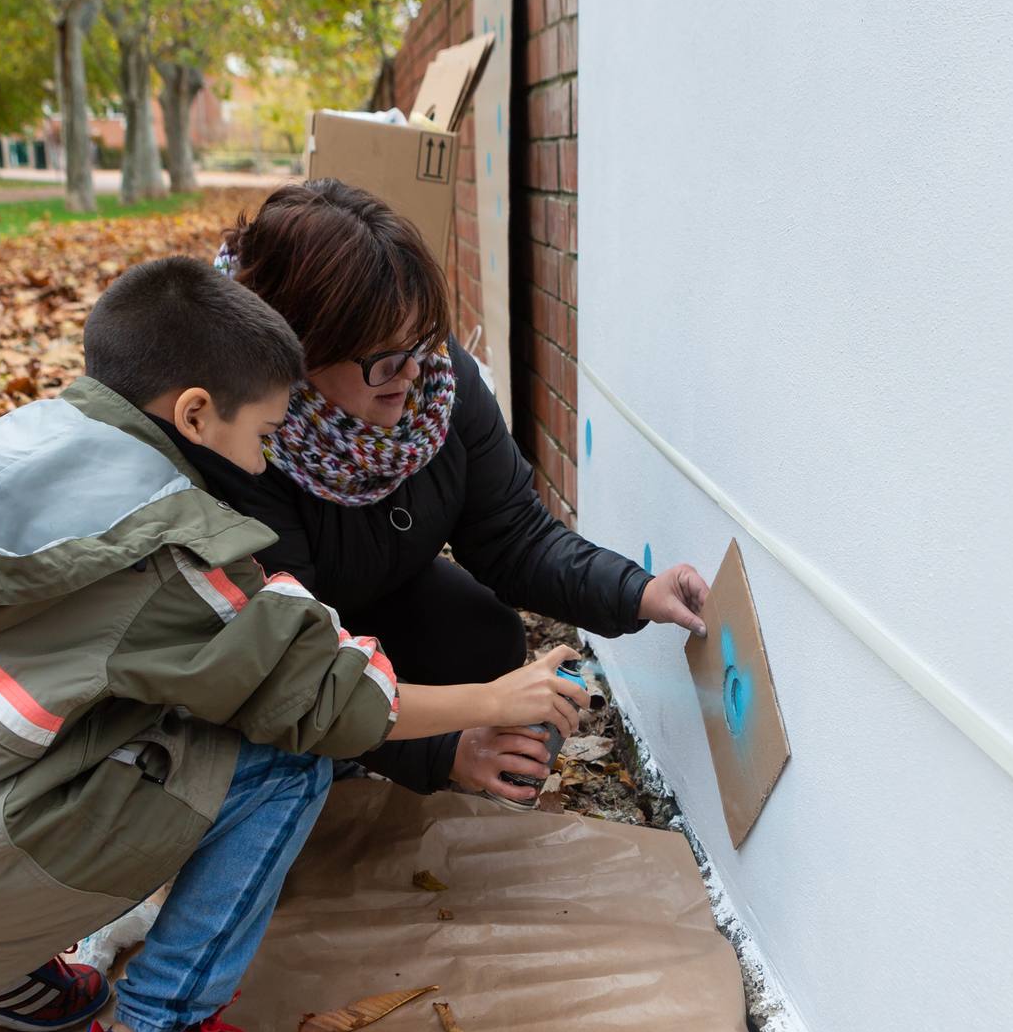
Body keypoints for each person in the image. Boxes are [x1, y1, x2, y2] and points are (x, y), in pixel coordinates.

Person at [0, 258, 586, 1032]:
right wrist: (492, 699)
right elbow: (325, 699)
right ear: (192, 413)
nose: (264, 456)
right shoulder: (162, 546)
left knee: (145, 711)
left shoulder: (5, 454)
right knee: (288, 756)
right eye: (262, 433)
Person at [205, 180, 710, 805]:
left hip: (372, 597)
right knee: (282, 751)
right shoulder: (240, 434)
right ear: (297, 351)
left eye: (422, 344)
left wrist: (636, 591)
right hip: (274, 654)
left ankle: (375, 747)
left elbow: (515, 537)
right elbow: (292, 670)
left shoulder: (439, 387)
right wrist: (447, 751)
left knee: (481, 636)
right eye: (385, 360)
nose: (412, 375)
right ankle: (339, 769)